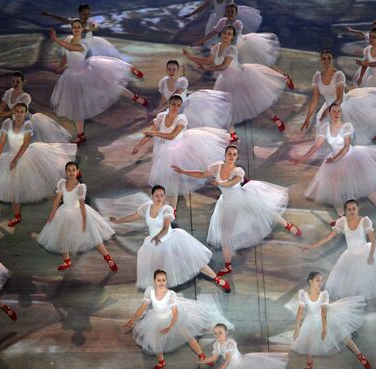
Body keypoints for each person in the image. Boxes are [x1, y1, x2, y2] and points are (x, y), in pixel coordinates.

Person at [172, 144, 302, 277]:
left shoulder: (238, 171)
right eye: (229, 153)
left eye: (234, 154)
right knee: (225, 236)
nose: (232, 156)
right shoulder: (217, 166)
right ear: (225, 155)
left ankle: (288, 225)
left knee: (266, 212)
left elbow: (232, 182)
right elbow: (202, 174)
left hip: (243, 198)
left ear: (237, 156)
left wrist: (220, 183)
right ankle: (228, 265)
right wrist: (183, 171)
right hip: (227, 204)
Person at [109, 185, 230, 292]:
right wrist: (118, 221)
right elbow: (133, 216)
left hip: (172, 240)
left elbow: (166, 226)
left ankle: (217, 279)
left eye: (162, 195)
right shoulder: (146, 207)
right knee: (158, 268)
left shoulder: (167, 209)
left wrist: (159, 236)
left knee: (194, 261)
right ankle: (160, 294)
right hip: (155, 244)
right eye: (157, 195)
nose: (159, 198)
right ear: (152, 196)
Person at [303, 200, 376, 316]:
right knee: (349, 286)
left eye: (354, 209)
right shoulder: (341, 222)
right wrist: (312, 246)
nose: (352, 211)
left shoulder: (364, 221)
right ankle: (349, 311)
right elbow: (328, 238)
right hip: (350, 257)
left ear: (357, 209)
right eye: (349, 209)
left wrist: (371, 255)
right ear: (345, 211)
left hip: (366, 253)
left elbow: (373, 240)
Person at [50, 19, 148, 144]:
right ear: (71, 28)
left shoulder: (82, 44)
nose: (76, 29)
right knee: (76, 105)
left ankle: (136, 95)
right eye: (74, 27)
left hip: (87, 73)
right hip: (72, 77)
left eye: (78, 27)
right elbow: (66, 53)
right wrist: (60, 66)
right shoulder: (68, 40)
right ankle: (81, 135)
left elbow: (71, 48)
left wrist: (56, 39)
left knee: (112, 88)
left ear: (82, 29)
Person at [0, 103, 76, 227]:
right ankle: (17, 215)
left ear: (25, 113)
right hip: (10, 157)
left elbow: (25, 144)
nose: (19, 114)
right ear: (13, 112)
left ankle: (65, 195)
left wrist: (16, 159)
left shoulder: (28, 125)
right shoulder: (7, 124)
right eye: (17, 111)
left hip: (25, 156)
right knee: (13, 188)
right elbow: (2, 142)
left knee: (43, 176)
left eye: (22, 112)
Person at [295, 103, 376, 218]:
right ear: (329, 113)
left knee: (365, 185)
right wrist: (303, 158)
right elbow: (316, 146)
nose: (336, 113)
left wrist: (334, 159)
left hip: (351, 158)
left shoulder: (347, 126)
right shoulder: (325, 128)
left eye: (338, 111)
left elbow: (346, 147)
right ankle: (341, 217)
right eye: (334, 111)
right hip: (334, 160)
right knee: (334, 191)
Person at [132, 94, 230, 209]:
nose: (175, 107)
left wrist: (154, 133)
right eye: (173, 104)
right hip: (167, 152)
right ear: (169, 104)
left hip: (183, 149)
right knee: (169, 183)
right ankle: (171, 210)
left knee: (202, 170)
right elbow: (150, 134)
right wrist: (139, 145)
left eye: (178, 106)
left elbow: (172, 135)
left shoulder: (181, 118)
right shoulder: (161, 117)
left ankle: (227, 184)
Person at [183, 26, 287, 131]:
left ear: (232, 37)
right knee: (224, 108)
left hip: (241, 77)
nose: (226, 36)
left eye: (229, 34)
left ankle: (275, 118)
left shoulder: (231, 49)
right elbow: (207, 61)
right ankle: (232, 134)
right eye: (225, 33)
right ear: (221, 34)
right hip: (225, 81)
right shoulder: (216, 47)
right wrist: (191, 57)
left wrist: (208, 68)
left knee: (255, 102)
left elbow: (224, 66)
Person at [300, 49, 376, 145]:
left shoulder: (338, 75)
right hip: (328, 108)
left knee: (370, 119)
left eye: (329, 58)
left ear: (332, 60)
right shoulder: (318, 76)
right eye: (324, 59)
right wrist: (308, 118)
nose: (326, 60)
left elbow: (339, 98)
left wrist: (328, 110)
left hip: (343, 105)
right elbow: (315, 99)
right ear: (321, 61)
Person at [123, 269, 222, 369]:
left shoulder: (170, 295)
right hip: (157, 318)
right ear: (154, 281)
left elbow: (175, 313)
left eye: (163, 280)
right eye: (159, 280)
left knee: (188, 336)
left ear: (166, 281)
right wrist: (132, 320)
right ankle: (161, 361)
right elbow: (142, 307)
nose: (161, 282)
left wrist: (170, 327)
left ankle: (202, 355)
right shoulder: (150, 292)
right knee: (156, 341)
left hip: (172, 318)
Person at [35, 162, 117, 272]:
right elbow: (57, 201)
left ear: (77, 172)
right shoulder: (62, 184)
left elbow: (82, 205)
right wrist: (52, 215)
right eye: (69, 170)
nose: (71, 172)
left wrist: (84, 221)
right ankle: (67, 260)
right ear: (66, 172)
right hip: (64, 212)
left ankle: (108, 258)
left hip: (79, 212)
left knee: (94, 236)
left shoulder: (80, 187)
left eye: (74, 170)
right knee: (62, 236)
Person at [192, 4, 294, 90]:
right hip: (233, 49)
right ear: (225, 13)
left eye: (232, 12)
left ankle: (284, 77)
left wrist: (227, 49)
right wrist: (201, 41)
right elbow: (213, 33)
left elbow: (236, 39)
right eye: (228, 12)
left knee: (264, 64)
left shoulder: (237, 23)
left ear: (236, 13)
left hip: (244, 46)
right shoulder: (222, 21)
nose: (230, 14)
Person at [41, 2, 145, 78]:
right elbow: (62, 19)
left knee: (105, 59)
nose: (86, 16)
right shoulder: (75, 21)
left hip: (91, 44)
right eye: (84, 14)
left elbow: (95, 27)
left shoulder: (90, 21)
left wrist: (86, 28)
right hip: (79, 44)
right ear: (80, 13)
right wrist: (49, 15)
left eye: (88, 14)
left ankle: (128, 68)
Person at [292, 272, 370, 369]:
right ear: (310, 282)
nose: (320, 283)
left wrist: (324, 329)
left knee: (343, 334)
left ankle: (359, 355)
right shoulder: (303, 294)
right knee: (308, 341)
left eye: (321, 281)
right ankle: (309, 365)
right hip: (312, 318)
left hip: (326, 316)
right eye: (317, 280)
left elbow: (324, 313)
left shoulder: (324, 294)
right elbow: (300, 311)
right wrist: (297, 328)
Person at [0, 71, 71, 143]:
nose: (15, 84)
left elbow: (13, 112)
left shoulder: (25, 96)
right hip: (15, 122)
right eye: (13, 82)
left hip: (27, 122)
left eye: (18, 81)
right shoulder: (9, 93)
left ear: (23, 82)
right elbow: (0, 108)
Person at [153, 60, 234, 137]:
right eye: (169, 69)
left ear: (177, 70)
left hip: (185, 107)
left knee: (202, 126)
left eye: (174, 69)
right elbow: (163, 98)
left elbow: (173, 98)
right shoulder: (163, 82)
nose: (171, 72)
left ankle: (229, 134)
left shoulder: (181, 82)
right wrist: (158, 109)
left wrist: (160, 110)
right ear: (166, 70)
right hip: (172, 108)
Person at [198, 323, 288, 369]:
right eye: (215, 333)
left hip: (240, 364)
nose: (217, 335)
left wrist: (221, 368)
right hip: (231, 366)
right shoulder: (216, 344)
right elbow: (214, 358)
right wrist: (201, 361)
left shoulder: (230, 342)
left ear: (226, 333)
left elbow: (228, 359)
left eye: (220, 333)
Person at [182, 0, 262, 39]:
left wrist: (226, 22)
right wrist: (191, 14)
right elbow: (203, 7)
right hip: (219, 19)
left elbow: (230, 8)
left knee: (235, 39)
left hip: (231, 17)